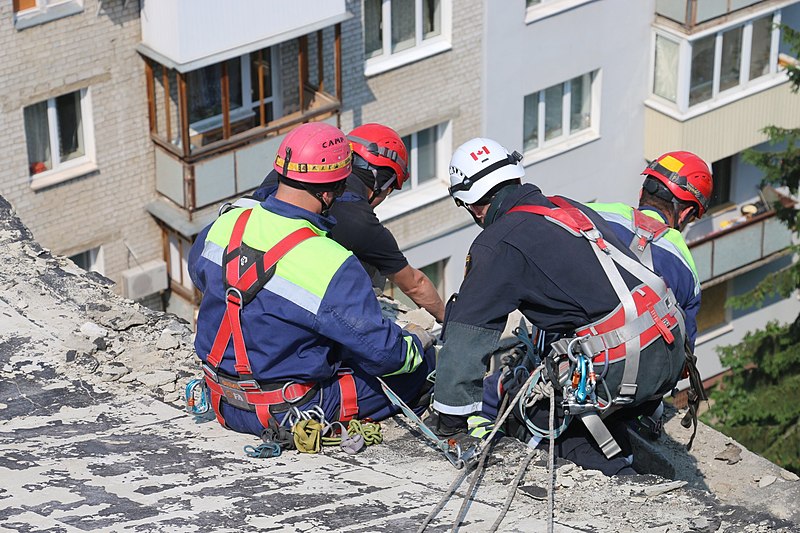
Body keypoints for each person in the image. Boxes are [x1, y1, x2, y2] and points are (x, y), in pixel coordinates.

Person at [426, 137, 686, 475]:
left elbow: (467, 337)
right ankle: (620, 431)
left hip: (622, 360)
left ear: (473, 205)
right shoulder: (565, 207)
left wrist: (449, 421)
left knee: (531, 411)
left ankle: (622, 479)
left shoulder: (498, 243)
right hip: (665, 344)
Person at [189, 122, 436, 437]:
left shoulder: (226, 223)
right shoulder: (331, 262)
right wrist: (416, 343)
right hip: (288, 411)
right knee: (419, 368)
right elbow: (385, 353)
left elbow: (201, 277)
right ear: (332, 190)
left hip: (221, 398)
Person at [250, 123, 445, 322]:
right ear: (382, 184)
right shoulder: (360, 222)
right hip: (296, 305)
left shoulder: (289, 173)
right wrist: (446, 323)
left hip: (245, 278)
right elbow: (415, 284)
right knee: (373, 263)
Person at [587, 151, 713, 440]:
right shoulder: (684, 265)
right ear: (687, 213)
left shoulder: (597, 213)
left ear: (644, 191)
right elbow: (681, 357)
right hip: (620, 389)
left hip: (561, 354)